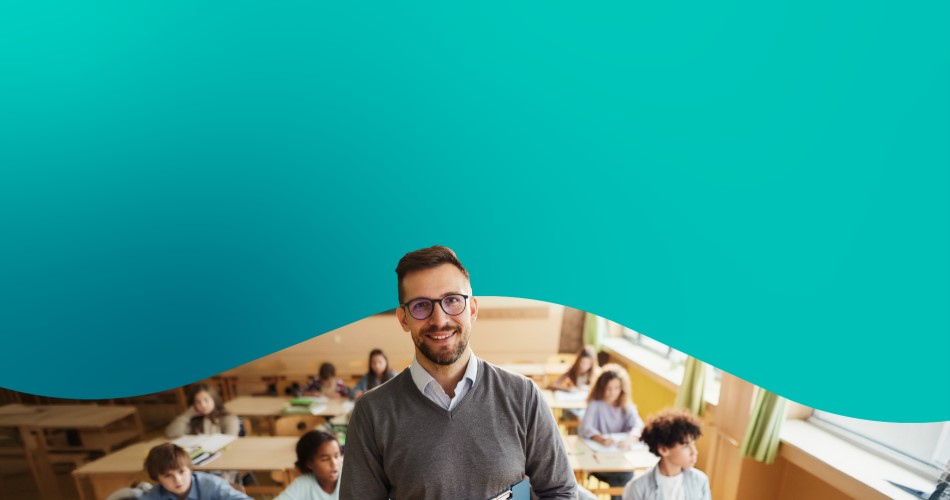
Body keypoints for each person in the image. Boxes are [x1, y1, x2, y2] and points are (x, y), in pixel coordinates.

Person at [340, 246, 575, 499]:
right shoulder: (372, 413)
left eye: (452, 300)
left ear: (472, 309)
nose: (439, 320)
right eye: (421, 305)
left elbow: (559, 491)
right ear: (403, 319)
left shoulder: (523, 396)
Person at [579, 364, 645, 500]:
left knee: (624, 476)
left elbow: (638, 426)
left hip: (621, 458)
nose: (612, 392)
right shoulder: (595, 404)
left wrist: (630, 438)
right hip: (600, 461)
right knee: (625, 477)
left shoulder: (626, 405)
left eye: (616, 388)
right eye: (608, 388)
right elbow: (586, 427)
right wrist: (600, 439)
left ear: (622, 388)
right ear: (601, 388)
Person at [622, 409, 711, 500]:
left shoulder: (700, 481)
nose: (694, 452)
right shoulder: (637, 488)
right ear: (663, 449)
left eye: (693, 444)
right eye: (685, 446)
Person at [140, 443, 250, 500]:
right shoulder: (156, 494)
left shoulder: (211, 485)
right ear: (157, 478)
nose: (178, 480)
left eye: (182, 472)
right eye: (168, 476)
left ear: (190, 469)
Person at [275, 431, 343, 500]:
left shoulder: (349, 478)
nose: (334, 464)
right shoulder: (303, 484)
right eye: (325, 459)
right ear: (309, 463)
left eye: (337, 456)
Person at [165, 384, 239, 438]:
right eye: (198, 402)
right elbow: (171, 433)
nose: (203, 405)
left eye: (206, 400)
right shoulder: (192, 418)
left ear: (214, 400)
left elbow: (230, 440)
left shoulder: (228, 418)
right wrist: (187, 415)